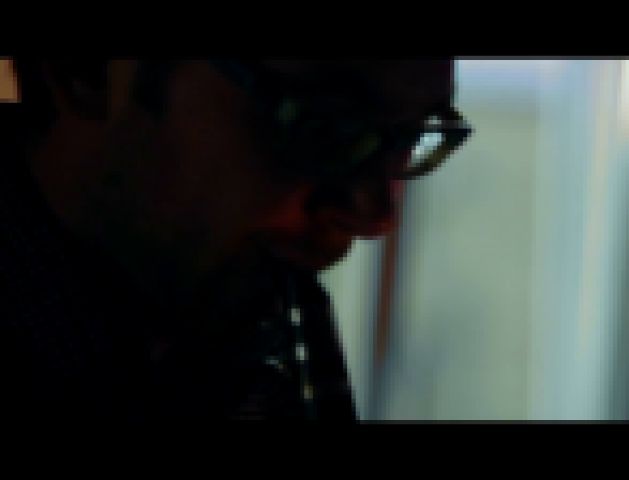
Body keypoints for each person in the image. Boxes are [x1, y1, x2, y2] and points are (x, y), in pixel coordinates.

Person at [0, 59, 472, 421]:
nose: (375, 217)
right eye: (321, 125)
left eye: (411, 136)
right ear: (84, 70)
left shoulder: (259, 334)